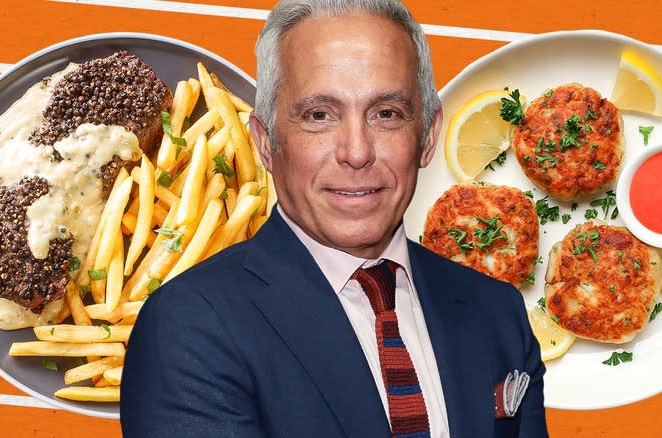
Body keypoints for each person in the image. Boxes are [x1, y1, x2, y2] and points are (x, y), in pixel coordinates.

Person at [120, 0, 547, 436]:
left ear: (428, 136)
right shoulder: (189, 325)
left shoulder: (499, 311)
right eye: (319, 116)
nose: (357, 152)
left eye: (387, 114)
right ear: (266, 143)